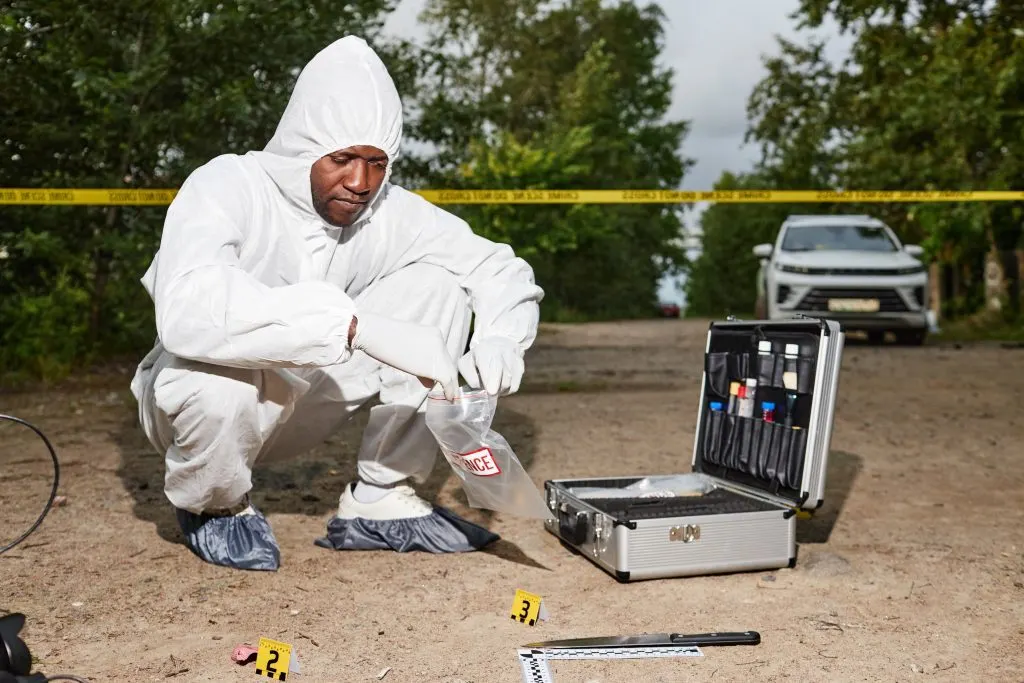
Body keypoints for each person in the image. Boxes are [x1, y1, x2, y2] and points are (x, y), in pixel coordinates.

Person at [129, 35, 544, 572]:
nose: (360, 182)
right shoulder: (227, 186)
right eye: (343, 158)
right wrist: (351, 324)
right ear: (304, 146)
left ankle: (381, 497)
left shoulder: (388, 211)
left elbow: (496, 267)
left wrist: (501, 337)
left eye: (377, 162)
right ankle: (216, 504)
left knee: (439, 284)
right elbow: (190, 311)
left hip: (309, 401)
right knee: (215, 384)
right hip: (210, 404)